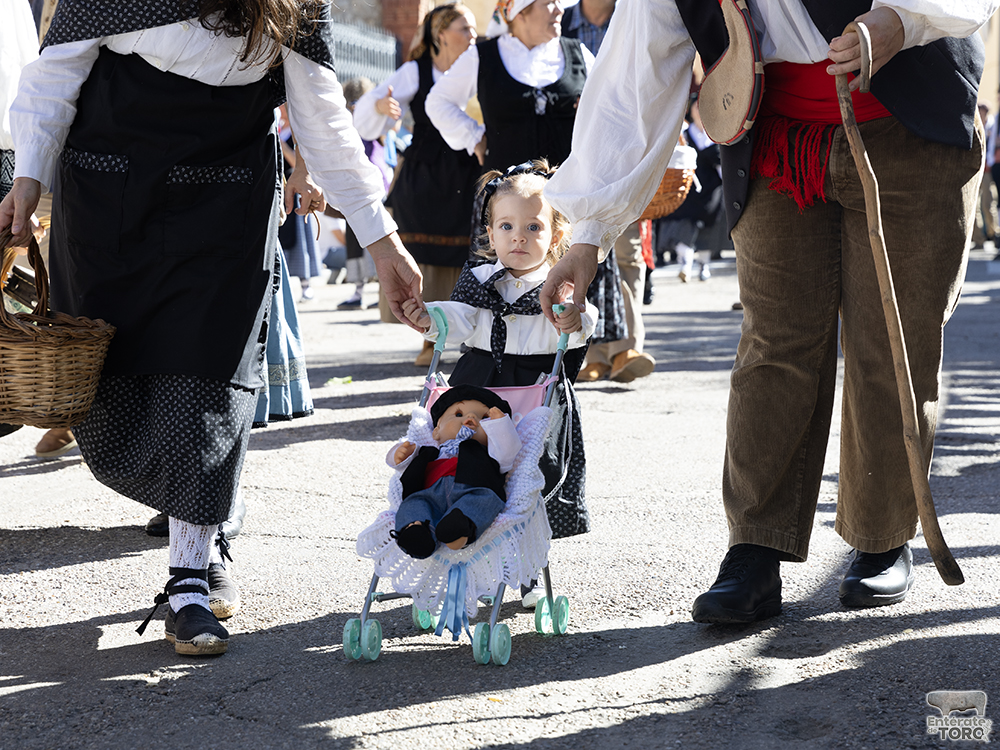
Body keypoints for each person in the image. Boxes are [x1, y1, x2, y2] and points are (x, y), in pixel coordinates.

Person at [541, 1, 991, 623]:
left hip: (908, 122)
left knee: (893, 342)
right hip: (777, 133)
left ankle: (882, 534)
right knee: (774, 342)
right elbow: (634, 74)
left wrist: (902, 22)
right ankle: (754, 547)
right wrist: (588, 233)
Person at [1, 0, 423, 655]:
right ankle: (205, 510)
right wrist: (29, 175)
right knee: (110, 403)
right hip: (112, 205)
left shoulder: (294, 6)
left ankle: (189, 578)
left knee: (204, 387)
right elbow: (54, 75)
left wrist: (385, 242)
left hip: (223, 209)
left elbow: (323, 123)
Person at [402, 161, 596, 606]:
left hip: (534, 391)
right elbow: (461, 317)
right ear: (491, 235)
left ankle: (524, 568)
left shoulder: (558, 284)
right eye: (506, 226)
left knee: (526, 478)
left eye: (533, 226)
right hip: (480, 388)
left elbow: (584, 324)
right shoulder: (480, 280)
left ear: (556, 236)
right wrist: (430, 318)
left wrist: (573, 317)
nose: (519, 237)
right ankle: (460, 549)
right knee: (468, 469)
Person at [354, 3, 481, 367]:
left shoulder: (481, 64)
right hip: (426, 172)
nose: (473, 36)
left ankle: (472, 336)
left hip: (470, 168)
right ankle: (429, 336)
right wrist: (380, 108)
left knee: (470, 251)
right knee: (423, 251)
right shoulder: (416, 70)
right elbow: (368, 112)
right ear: (440, 33)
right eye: (464, 28)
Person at [390, 384, 521, 558]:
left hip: (473, 491)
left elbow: (508, 449)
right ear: (436, 431)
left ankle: (459, 531)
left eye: (484, 418)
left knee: (483, 502)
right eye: (458, 414)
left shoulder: (492, 452)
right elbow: (403, 466)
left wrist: (500, 426)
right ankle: (418, 533)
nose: (471, 417)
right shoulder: (429, 451)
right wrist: (401, 455)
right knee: (414, 504)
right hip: (428, 494)